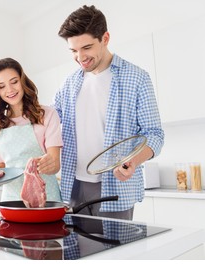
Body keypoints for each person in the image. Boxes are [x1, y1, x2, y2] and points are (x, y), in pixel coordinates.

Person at [54, 5, 164, 220]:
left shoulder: (137, 78)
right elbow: (48, 120)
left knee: (117, 252)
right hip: (73, 185)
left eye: (86, 47)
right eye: (74, 51)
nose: (80, 57)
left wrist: (133, 161)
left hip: (116, 188)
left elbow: (155, 134)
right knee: (77, 252)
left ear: (105, 38)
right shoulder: (69, 83)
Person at [0, 58, 62, 202]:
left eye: (14, 82)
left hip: (45, 197)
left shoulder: (47, 115)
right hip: (11, 200)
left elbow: (55, 164)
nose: (10, 90)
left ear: (22, 81)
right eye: (1, 86)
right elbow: (0, 167)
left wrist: (45, 165)